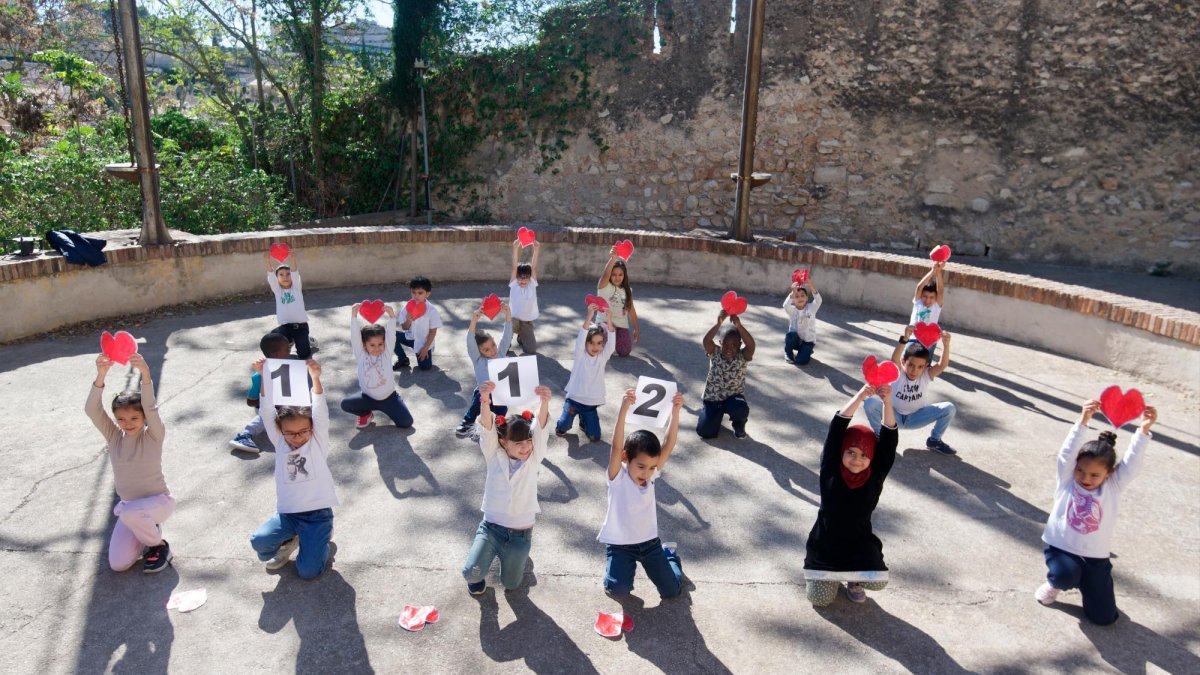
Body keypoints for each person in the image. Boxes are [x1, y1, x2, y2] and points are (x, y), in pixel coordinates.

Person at [1036, 400, 1157, 625]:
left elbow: (1131, 465)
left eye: (1094, 475)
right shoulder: (1067, 480)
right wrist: (1083, 420)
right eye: (1081, 471)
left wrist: (1143, 430)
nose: (1085, 478)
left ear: (1108, 474)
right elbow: (1067, 454)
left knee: (1104, 619)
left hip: (1095, 558)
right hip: (1061, 548)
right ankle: (1055, 584)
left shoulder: (1113, 486)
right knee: (1065, 574)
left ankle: (1090, 585)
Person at [804, 385, 899, 606]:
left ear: (872, 459)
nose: (857, 459)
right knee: (819, 599)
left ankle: (853, 580)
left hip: (859, 546)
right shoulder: (831, 468)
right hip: (825, 547)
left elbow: (888, 441)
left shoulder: (875, 474)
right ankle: (833, 578)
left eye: (864, 455)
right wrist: (860, 396)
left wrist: (888, 402)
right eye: (851, 452)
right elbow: (837, 428)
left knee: (878, 581)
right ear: (842, 452)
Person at [249, 358, 338, 579]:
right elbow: (267, 409)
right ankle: (290, 541)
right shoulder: (279, 441)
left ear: (312, 429)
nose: (297, 437)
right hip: (289, 514)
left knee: (308, 572)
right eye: (290, 432)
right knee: (259, 541)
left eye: (303, 431)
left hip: (317, 516)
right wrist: (262, 377)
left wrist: (315, 378)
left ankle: (320, 542)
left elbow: (319, 409)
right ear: (281, 431)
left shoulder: (317, 441)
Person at [85, 352, 174, 573]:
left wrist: (145, 373)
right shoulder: (115, 438)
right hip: (130, 510)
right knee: (118, 564)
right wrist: (101, 375)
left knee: (131, 513)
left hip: (159, 503)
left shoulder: (154, 435)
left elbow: (150, 407)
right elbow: (92, 410)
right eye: (121, 419)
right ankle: (145, 531)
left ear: (144, 418)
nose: (128, 423)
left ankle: (159, 546)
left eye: (134, 418)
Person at [462, 381, 553, 595]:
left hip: (521, 532)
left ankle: (516, 557)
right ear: (504, 442)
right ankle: (486, 556)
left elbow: (540, 428)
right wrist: (485, 400)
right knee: (470, 572)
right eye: (518, 442)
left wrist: (545, 401)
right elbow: (487, 428)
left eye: (528, 441)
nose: (525, 447)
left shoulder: (534, 457)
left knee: (511, 584)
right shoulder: (494, 454)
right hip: (492, 527)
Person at [599, 387, 686, 599]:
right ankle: (614, 571)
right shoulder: (617, 477)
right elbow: (616, 445)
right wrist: (623, 408)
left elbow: (669, 444)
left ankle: (671, 557)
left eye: (651, 467)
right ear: (626, 457)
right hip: (620, 546)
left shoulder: (651, 474)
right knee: (617, 590)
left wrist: (675, 413)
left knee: (672, 591)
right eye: (641, 466)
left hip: (649, 544)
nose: (646, 473)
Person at [863, 327, 956, 455]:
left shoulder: (925, 375)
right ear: (903, 362)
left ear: (925, 367)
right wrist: (905, 339)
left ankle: (934, 440)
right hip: (893, 417)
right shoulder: (899, 372)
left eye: (920, 367)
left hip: (916, 418)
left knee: (949, 408)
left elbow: (942, 365)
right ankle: (881, 438)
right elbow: (894, 358)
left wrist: (946, 345)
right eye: (911, 365)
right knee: (869, 403)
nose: (914, 370)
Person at [342, 303, 413, 429]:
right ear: (364, 345)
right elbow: (355, 337)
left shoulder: (386, 354)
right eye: (372, 345)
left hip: (389, 399)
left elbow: (391, 336)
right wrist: (354, 316)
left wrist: (392, 317)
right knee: (346, 404)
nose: (377, 348)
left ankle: (395, 406)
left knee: (406, 423)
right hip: (367, 398)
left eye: (380, 344)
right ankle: (366, 413)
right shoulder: (361, 355)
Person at [555, 304, 617, 443]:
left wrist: (609, 320)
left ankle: (584, 421)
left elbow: (612, 344)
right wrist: (589, 316)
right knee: (561, 429)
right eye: (592, 343)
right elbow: (581, 337)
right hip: (574, 401)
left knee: (595, 437)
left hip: (590, 405)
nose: (596, 347)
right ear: (585, 344)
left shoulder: (602, 357)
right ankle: (564, 422)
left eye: (599, 343)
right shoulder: (580, 355)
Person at [455, 302, 513, 438]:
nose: (492, 350)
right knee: (477, 405)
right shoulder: (478, 360)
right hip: (484, 393)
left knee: (500, 413)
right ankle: (467, 422)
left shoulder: (500, 353)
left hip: (501, 393)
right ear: (479, 351)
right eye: (486, 349)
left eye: (493, 345)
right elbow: (470, 342)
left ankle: (498, 424)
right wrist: (474, 320)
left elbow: (507, 336)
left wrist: (508, 316)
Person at [697, 309, 756, 439]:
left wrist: (739, 326)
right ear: (720, 343)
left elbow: (751, 345)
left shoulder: (742, 356)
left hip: (733, 399)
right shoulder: (715, 353)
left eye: (734, 345)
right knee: (705, 432)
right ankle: (711, 415)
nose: (730, 349)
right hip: (713, 398)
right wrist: (718, 323)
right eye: (726, 345)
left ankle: (739, 423)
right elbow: (706, 341)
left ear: (740, 345)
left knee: (740, 409)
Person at [230, 331, 291, 453]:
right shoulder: (260, 375)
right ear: (277, 354)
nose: (290, 352)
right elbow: (251, 401)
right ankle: (244, 436)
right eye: (288, 349)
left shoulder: (289, 368)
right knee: (266, 417)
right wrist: (272, 404)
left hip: (286, 406)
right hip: (267, 409)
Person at [264, 250, 316, 359]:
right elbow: (271, 277)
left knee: (303, 355)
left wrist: (293, 259)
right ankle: (289, 340)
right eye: (281, 275)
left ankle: (306, 340)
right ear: (277, 278)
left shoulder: (296, 288)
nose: (285, 277)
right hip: (285, 327)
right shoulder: (278, 291)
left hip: (301, 327)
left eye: (288, 274)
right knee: (272, 341)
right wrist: (267, 260)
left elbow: (295, 272)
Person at [597, 245, 639, 357]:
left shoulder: (627, 290)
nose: (617, 277)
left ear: (624, 276)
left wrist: (636, 328)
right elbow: (605, 274)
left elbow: (631, 310)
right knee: (604, 348)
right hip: (605, 323)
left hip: (621, 324)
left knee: (624, 351)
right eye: (614, 275)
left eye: (620, 275)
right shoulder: (604, 286)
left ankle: (614, 339)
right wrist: (613, 259)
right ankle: (597, 334)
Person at [393, 276, 442, 371]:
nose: (416, 296)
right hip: (410, 338)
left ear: (427, 294)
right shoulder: (407, 307)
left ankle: (427, 351)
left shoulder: (431, 310)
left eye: (420, 293)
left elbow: (432, 332)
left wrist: (425, 348)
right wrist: (408, 320)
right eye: (413, 292)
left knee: (425, 367)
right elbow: (404, 328)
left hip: (423, 343)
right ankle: (402, 359)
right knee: (390, 335)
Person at [509, 239, 541, 354]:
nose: (523, 279)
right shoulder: (514, 285)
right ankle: (507, 340)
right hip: (513, 320)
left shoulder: (532, 285)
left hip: (526, 322)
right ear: (516, 277)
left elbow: (534, 268)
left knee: (531, 351)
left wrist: (536, 249)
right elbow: (514, 267)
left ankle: (521, 337)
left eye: (526, 277)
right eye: (520, 277)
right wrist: (515, 248)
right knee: (510, 324)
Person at [909, 260, 946, 360]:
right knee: (908, 362)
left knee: (925, 365)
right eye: (925, 296)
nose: (928, 300)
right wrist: (932, 271)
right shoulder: (918, 302)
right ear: (921, 296)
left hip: (930, 341)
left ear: (935, 298)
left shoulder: (936, 306)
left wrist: (938, 272)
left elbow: (941, 291)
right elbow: (919, 287)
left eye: (931, 297)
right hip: (914, 338)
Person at [783, 276, 823, 365]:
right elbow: (785, 305)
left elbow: (818, 300)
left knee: (801, 361)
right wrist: (793, 292)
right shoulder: (792, 310)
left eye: (802, 295)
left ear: (807, 298)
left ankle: (806, 351)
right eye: (796, 296)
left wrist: (811, 286)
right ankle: (788, 353)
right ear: (793, 300)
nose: (800, 298)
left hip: (808, 341)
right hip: (795, 340)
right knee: (790, 335)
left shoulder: (811, 308)